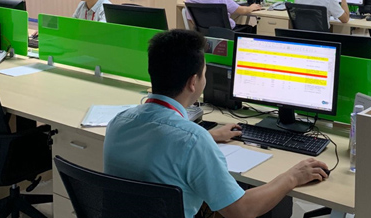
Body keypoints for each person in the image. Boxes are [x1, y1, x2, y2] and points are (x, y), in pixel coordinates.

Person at [104, 30, 328, 218]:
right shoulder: (192, 140)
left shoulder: (118, 123)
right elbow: (241, 210)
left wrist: (210, 137)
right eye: (204, 73)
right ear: (193, 82)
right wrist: (292, 176)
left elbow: (160, 144)